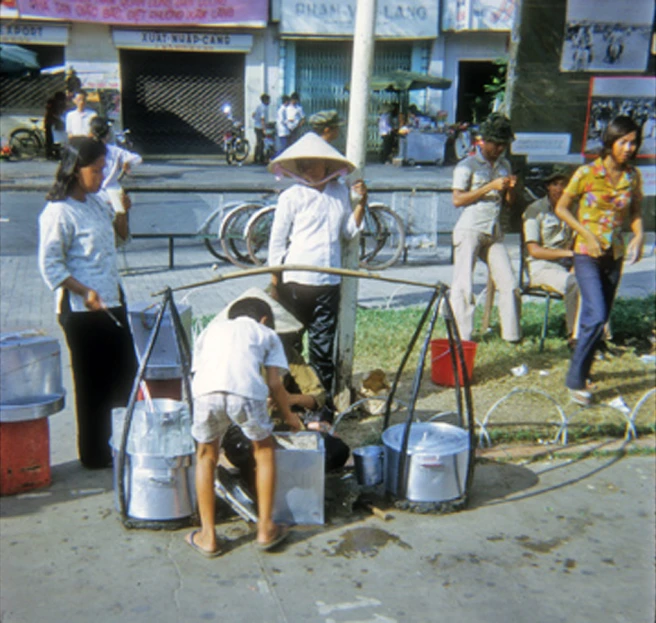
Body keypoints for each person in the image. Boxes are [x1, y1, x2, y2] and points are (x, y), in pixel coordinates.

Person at [38, 137, 137, 469]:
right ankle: (94, 455)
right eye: (95, 170)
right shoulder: (58, 212)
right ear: (75, 171)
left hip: (111, 299)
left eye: (102, 168)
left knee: (124, 374)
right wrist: (83, 291)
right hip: (82, 308)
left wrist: (123, 214)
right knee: (93, 382)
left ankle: (121, 444)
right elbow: (51, 265)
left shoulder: (96, 203)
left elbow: (117, 242)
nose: (101, 175)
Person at [187, 297, 303, 557]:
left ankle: (208, 536)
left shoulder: (209, 330)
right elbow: (274, 384)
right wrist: (290, 416)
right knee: (264, 451)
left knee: (206, 456)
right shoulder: (266, 333)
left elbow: (200, 371)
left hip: (205, 392)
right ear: (264, 320)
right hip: (245, 390)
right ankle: (265, 528)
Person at [267, 132, 367, 397]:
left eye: (314, 163)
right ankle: (290, 399)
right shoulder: (291, 197)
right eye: (303, 165)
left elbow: (348, 232)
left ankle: (320, 404)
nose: (309, 170)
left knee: (322, 346)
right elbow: (277, 243)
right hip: (296, 283)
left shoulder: (339, 192)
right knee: (290, 343)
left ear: (327, 165)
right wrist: (275, 283)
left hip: (328, 282)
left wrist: (361, 203)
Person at [555, 116, 644, 406]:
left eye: (633, 143)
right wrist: (586, 234)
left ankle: (583, 371)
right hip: (586, 254)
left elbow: (635, 213)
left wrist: (639, 236)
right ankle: (575, 381)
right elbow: (562, 208)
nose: (629, 148)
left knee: (599, 318)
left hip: (614, 254)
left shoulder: (633, 176)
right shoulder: (586, 173)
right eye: (623, 142)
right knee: (594, 313)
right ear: (610, 142)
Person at [450, 112, 521, 343]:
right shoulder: (467, 165)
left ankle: (512, 336)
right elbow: (458, 200)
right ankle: (463, 337)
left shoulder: (505, 165)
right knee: (463, 284)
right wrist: (489, 186)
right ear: (483, 141)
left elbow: (509, 204)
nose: (499, 149)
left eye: (503, 145)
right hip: (470, 228)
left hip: (493, 231)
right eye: (496, 144)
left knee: (509, 283)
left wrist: (510, 189)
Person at [522, 165, 579, 344]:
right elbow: (534, 250)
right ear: (548, 186)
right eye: (555, 184)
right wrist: (569, 253)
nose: (559, 189)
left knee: (593, 281)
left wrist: (576, 263)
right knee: (575, 283)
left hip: (566, 265)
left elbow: (578, 241)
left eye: (564, 184)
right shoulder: (535, 209)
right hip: (541, 267)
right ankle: (574, 337)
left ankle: (600, 338)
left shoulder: (574, 209)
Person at [88, 117, 142, 216]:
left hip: (93, 193)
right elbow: (137, 158)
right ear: (107, 135)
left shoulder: (87, 151)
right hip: (112, 192)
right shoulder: (115, 151)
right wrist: (127, 162)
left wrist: (127, 162)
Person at [44, 91, 67, 160]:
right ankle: (49, 154)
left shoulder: (61, 103)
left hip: (56, 124)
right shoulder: (52, 103)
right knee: (50, 139)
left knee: (56, 139)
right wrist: (59, 117)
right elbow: (51, 112)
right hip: (50, 123)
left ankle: (56, 153)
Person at [252, 93, 271, 164]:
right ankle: (259, 158)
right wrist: (264, 129)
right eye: (268, 100)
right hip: (260, 127)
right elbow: (262, 119)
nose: (269, 102)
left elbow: (253, 115)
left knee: (259, 143)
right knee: (261, 143)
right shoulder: (264, 108)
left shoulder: (258, 106)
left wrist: (256, 119)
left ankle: (257, 157)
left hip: (256, 126)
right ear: (265, 100)